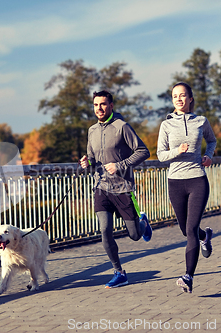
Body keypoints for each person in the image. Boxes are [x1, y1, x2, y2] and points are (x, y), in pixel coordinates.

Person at [80, 90, 152, 288]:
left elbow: (143, 151)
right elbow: (92, 158)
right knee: (104, 230)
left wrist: (119, 165)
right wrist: (87, 163)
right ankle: (119, 272)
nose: (99, 108)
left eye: (103, 104)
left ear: (111, 106)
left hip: (122, 188)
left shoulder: (122, 127)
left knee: (135, 235)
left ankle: (143, 223)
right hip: (101, 187)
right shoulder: (92, 130)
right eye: (96, 105)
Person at [156, 82, 217, 293]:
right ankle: (205, 236)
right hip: (175, 182)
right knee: (185, 230)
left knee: (190, 229)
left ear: (190, 98)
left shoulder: (201, 121)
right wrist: (177, 151)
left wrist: (208, 155)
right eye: (175, 96)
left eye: (183, 95)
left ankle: (188, 276)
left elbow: (212, 140)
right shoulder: (166, 125)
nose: (179, 99)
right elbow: (160, 155)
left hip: (197, 180)